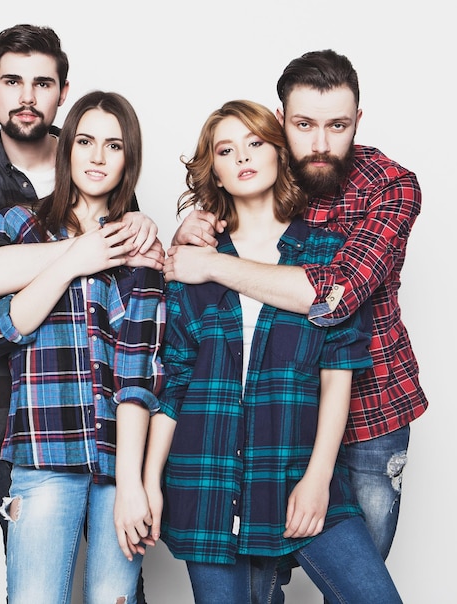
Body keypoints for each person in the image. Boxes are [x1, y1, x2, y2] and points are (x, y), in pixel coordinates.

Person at [169, 51, 428, 592]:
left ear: (358, 120)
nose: (321, 144)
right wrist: (193, 228)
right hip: (276, 415)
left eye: (338, 126)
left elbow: (334, 297)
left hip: (373, 409)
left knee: (355, 579)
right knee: (261, 576)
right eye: (304, 125)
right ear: (281, 121)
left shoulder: (391, 186)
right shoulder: (270, 173)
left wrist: (211, 262)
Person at [0, 90, 163, 603]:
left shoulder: (139, 246)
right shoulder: (20, 226)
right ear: (67, 149)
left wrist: (133, 485)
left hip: (116, 463)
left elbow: (139, 372)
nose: (98, 157)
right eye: (85, 141)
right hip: (41, 452)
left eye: (114, 145)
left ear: (130, 160)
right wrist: (73, 259)